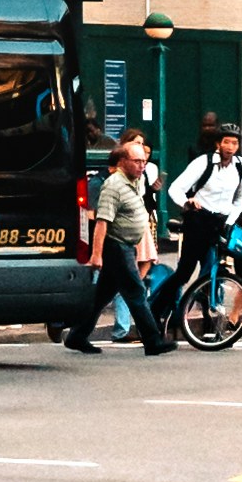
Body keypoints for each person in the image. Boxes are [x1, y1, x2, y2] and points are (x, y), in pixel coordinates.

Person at [160, 121, 242, 343]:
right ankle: (158, 309)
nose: (230, 147)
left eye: (234, 143)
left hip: (220, 222)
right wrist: (187, 202)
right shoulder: (203, 163)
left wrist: (229, 221)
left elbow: (241, 198)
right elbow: (175, 188)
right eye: (226, 142)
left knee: (213, 273)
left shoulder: (241, 166)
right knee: (184, 273)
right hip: (198, 220)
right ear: (218, 144)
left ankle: (210, 323)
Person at [84, 128, 165, 347]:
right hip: (117, 246)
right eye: (136, 161)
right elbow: (102, 222)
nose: (142, 165)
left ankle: (77, 335)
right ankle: (153, 341)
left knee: (101, 296)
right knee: (136, 291)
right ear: (122, 162)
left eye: (144, 161)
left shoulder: (136, 180)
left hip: (128, 245)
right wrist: (96, 255)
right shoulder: (113, 186)